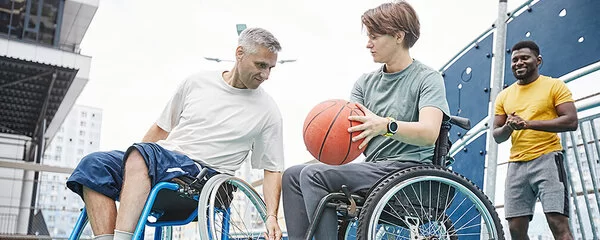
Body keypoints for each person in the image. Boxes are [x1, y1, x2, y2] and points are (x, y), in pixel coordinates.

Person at [67, 28, 285, 240]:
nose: (265, 75)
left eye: (270, 68)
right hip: (165, 160)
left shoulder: (268, 110)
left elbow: (273, 169)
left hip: (206, 176)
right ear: (240, 54)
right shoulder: (197, 82)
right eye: (261, 65)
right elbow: (161, 129)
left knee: (142, 156)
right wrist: (134, 163)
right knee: (94, 165)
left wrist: (271, 216)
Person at [281, 2, 450, 239]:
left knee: (313, 175)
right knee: (292, 174)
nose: (368, 44)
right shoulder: (364, 83)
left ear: (398, 36)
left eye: (374, 36)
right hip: (373, 169)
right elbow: (347, 139)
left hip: (409, 171)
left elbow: (429, 132)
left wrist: (386, 125)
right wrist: (322, 154)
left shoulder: (427, 79)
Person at [493, 40, 577, 240]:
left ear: (538, 60)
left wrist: (528, 124)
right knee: (515, 228)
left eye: (524, 58)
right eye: (514, 60)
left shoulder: (554, 86)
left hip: (548, 158)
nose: (518, 63)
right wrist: (509, 127)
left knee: (558, 223)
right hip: (517, 165)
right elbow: (497, 135)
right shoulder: (504, 96)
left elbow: (571, 121)